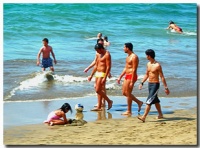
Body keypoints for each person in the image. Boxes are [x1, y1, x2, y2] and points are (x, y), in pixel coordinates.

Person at [137, 49, 170, 122]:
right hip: (150, 84)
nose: (146, 57)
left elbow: (162, 77)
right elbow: (147, 74)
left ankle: (144, 117)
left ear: (149, 56)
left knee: (149, 101)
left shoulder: (157, 65)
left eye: (146, 55)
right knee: (155, 100)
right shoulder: (148, 64)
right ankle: (160, 114)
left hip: (155, 85)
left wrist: (166, 88)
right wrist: (142, 83)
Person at [117, 43, 143, 116]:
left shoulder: (134, 57)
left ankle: (129, 111)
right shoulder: (128, 56)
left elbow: (134, 69)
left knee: (128, 93)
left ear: (127, 48)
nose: (123, 48)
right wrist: (120, 76)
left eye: (124, 47)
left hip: (132, 76)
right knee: (124, 93)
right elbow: (126, 68)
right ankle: (139, 102)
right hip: (127, 75)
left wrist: (132, 81)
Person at [84, 38, 111, 107]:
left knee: (98, 89)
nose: (97, 52)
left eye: (97, 50)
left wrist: (105, 77)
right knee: (97, 89)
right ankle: (99, 105)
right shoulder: (98, 54)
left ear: (101, 49)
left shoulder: (107, 54)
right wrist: (91, 75)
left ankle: (108, 101)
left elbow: (108, 66)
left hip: (102, 73)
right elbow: (96, 65)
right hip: (97, 73)